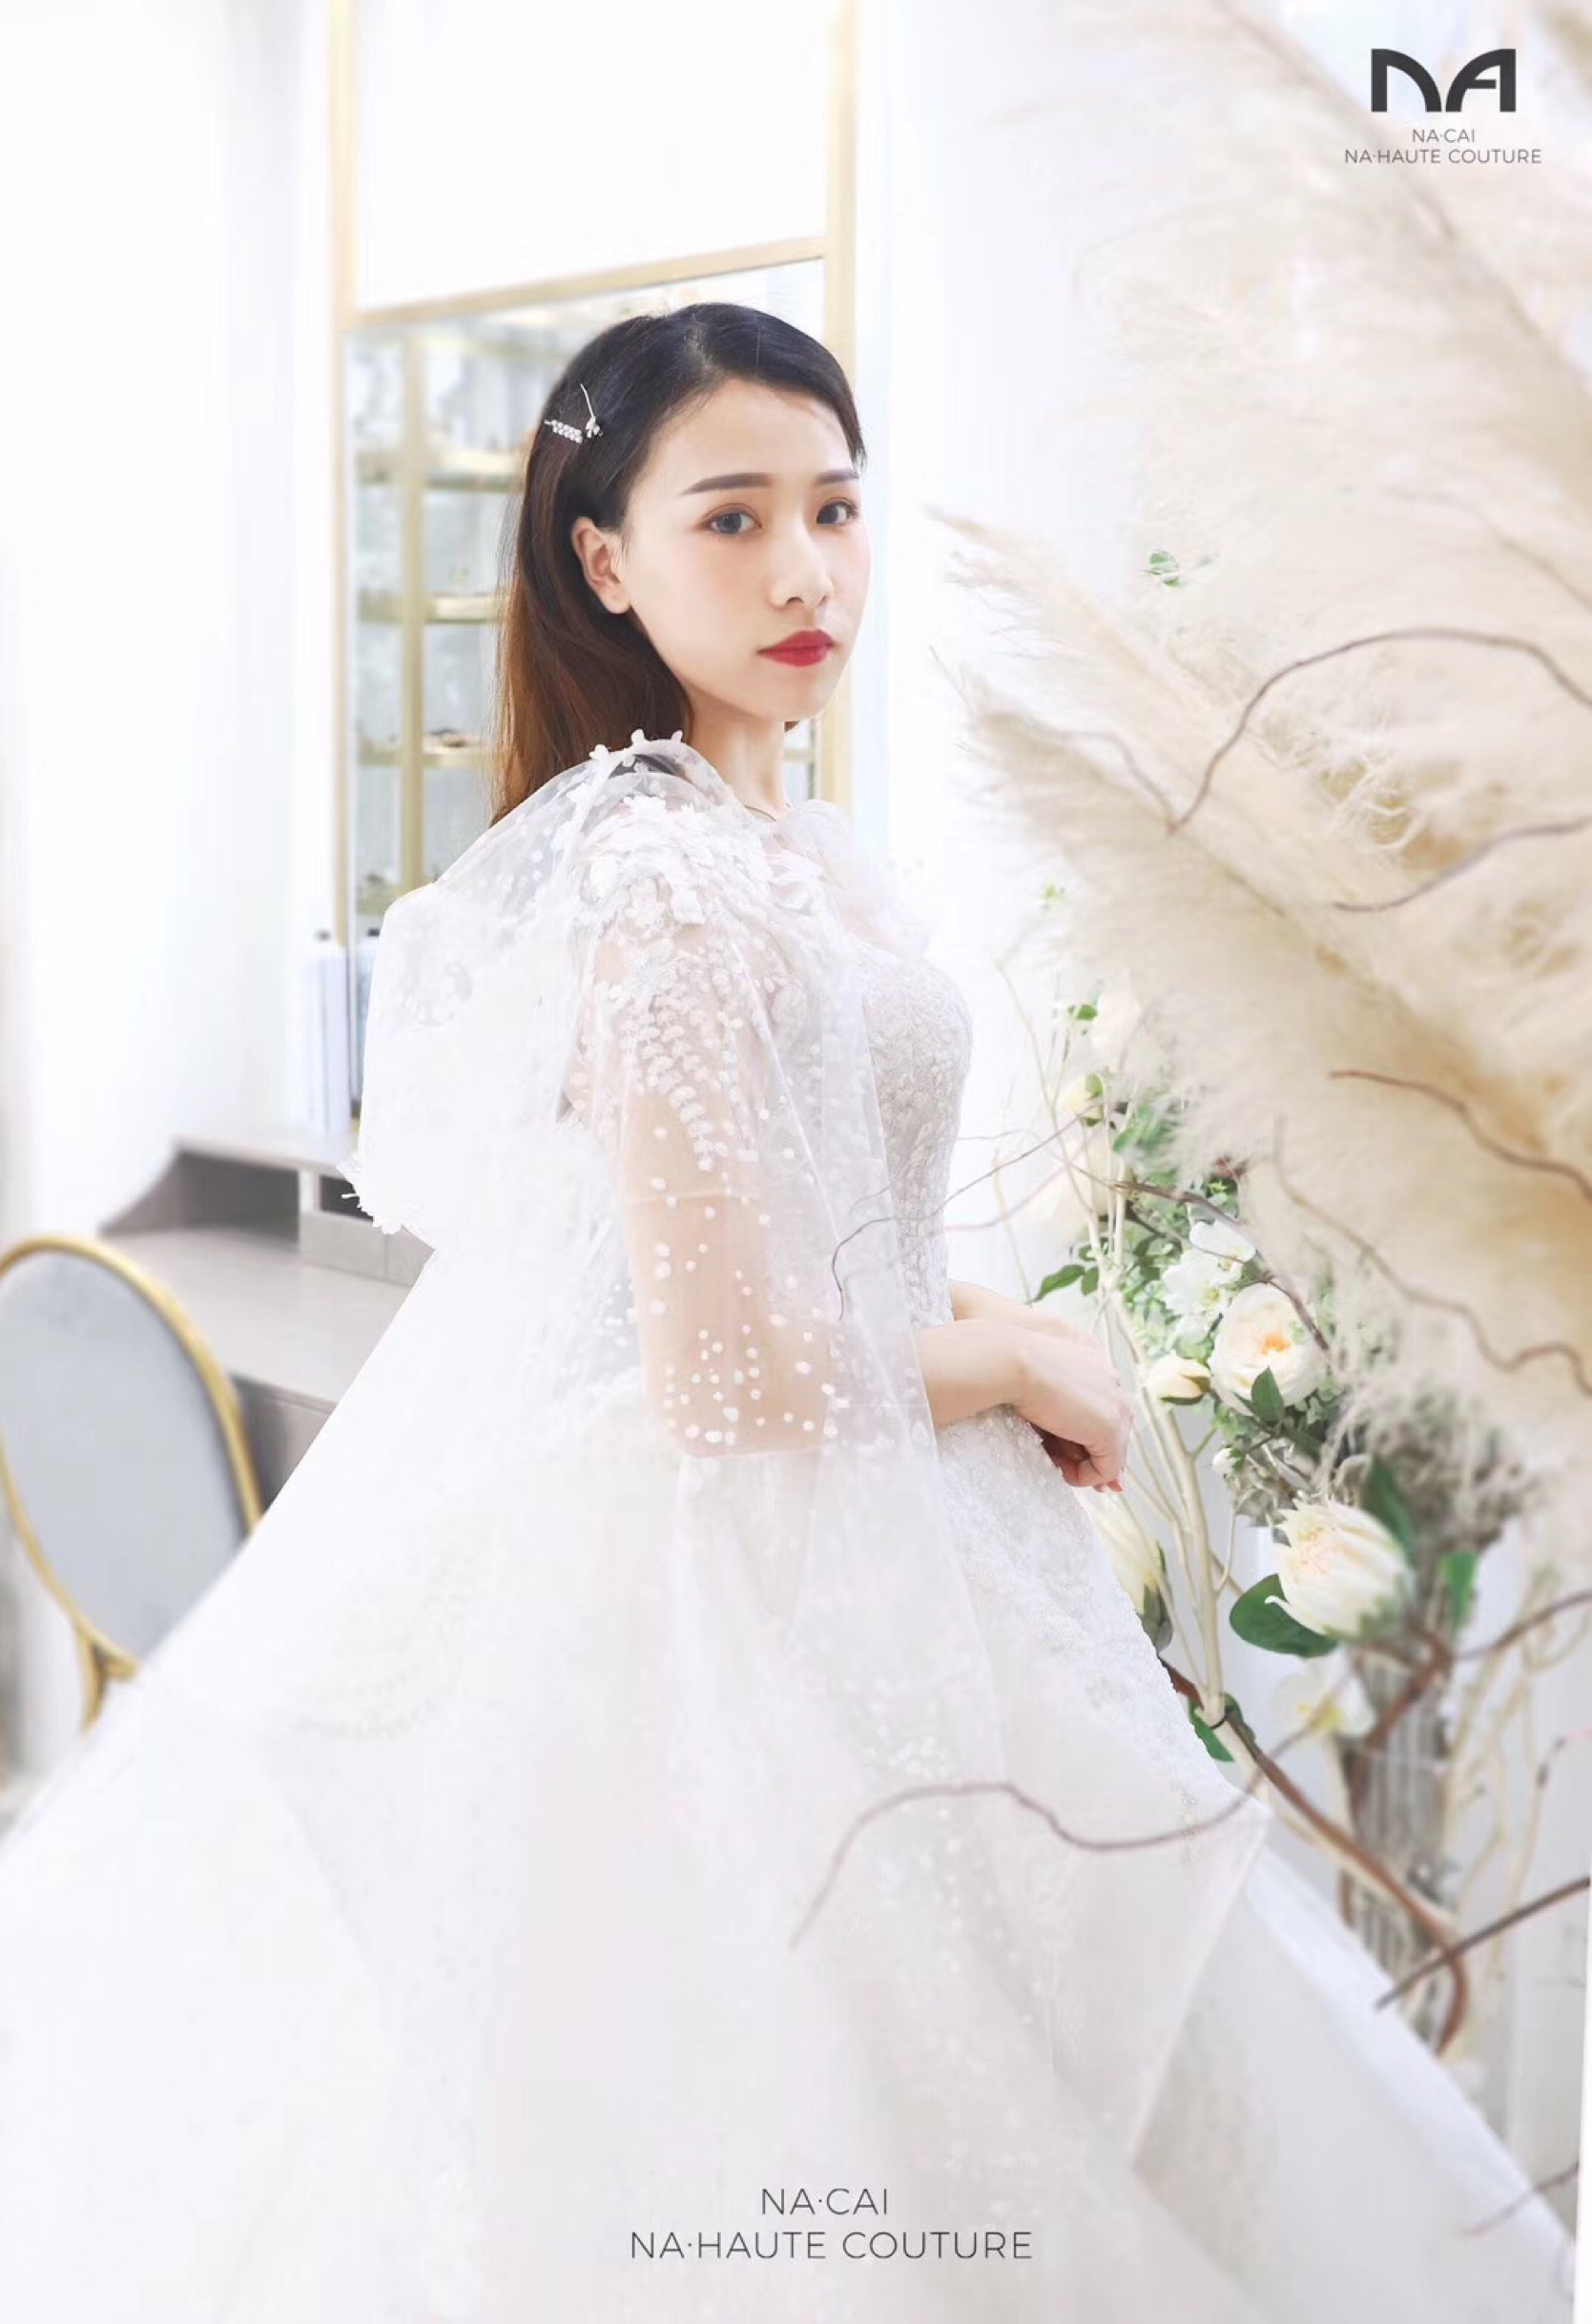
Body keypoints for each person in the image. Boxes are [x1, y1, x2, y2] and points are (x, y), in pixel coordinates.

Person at [0, 302, 1573, 2322]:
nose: (803, 570)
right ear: (603, 559)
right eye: (730, 519)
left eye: (833, 508)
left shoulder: (790, 849)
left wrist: (974, 1323)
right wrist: (1008, 1357)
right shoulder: (662, 879)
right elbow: (728, 1372)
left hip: (892, 1532)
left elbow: (829, 1233)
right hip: (742, 1588)